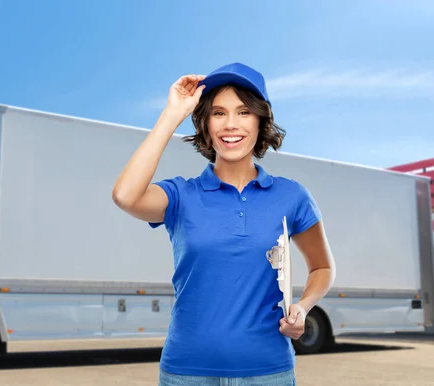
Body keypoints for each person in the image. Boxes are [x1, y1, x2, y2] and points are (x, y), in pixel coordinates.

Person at [111, 62, 335, 385]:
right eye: (219, 113)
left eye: (244, 112)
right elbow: (125, 195)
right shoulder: (181, 195)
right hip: (186, 374)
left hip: (269, 373)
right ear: (206, 123)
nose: (231, 125)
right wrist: (172, 114)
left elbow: (323, 269)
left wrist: (302, 306)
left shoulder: (292, 196)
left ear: (261, 120)